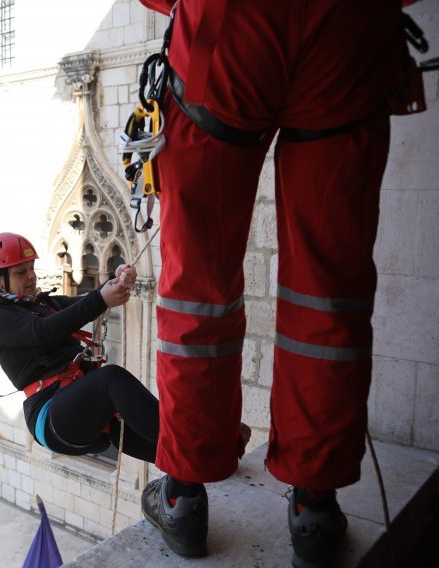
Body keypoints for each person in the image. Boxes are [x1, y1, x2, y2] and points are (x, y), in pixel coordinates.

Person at [135, 0, 412, 566]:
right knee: (329, 288)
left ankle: (185, 495)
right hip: (346, 34)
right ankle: (314, 508)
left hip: (227, 33)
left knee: (196, 289)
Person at [0, 232, 159, 462]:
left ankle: (183, 475)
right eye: (21, 272)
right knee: (111, 379)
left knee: (127, 426)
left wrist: (116, 279)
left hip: (71, 399)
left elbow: (83, 303)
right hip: (48, 411)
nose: (31, 277)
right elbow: (43, 332)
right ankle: (182, 437)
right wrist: (102, 299)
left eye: (31, 268)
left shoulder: (42, 304)